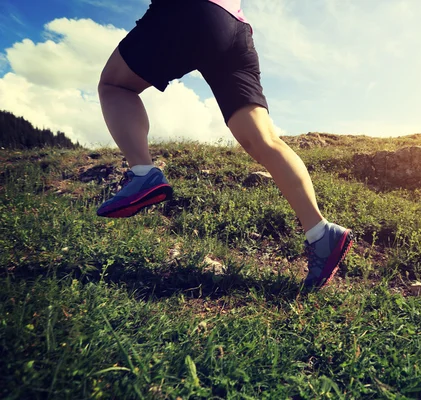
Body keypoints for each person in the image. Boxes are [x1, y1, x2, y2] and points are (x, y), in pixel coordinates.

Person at [96, 0, 353, 290]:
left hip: (189, 11)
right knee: (264, 138)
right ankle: (321, 232)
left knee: (115, 85)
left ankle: (143, 173)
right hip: (235, 29)